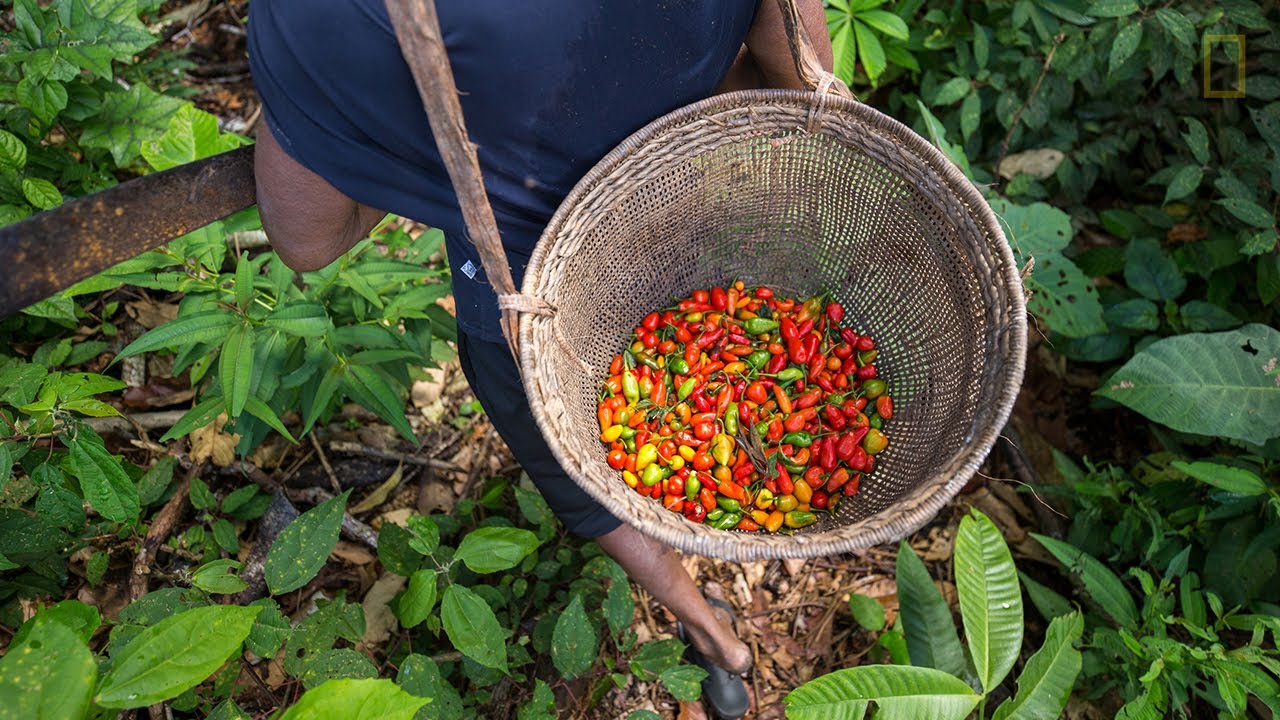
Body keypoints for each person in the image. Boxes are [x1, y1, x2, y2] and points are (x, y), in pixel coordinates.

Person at [248, 2, 832, 716]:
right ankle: (716, 634)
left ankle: (709, 633)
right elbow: (800, 68)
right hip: (707, 202)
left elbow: (308, 240)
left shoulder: (329, 14)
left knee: (577, 470)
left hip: (537, 300)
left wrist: (426, 171)